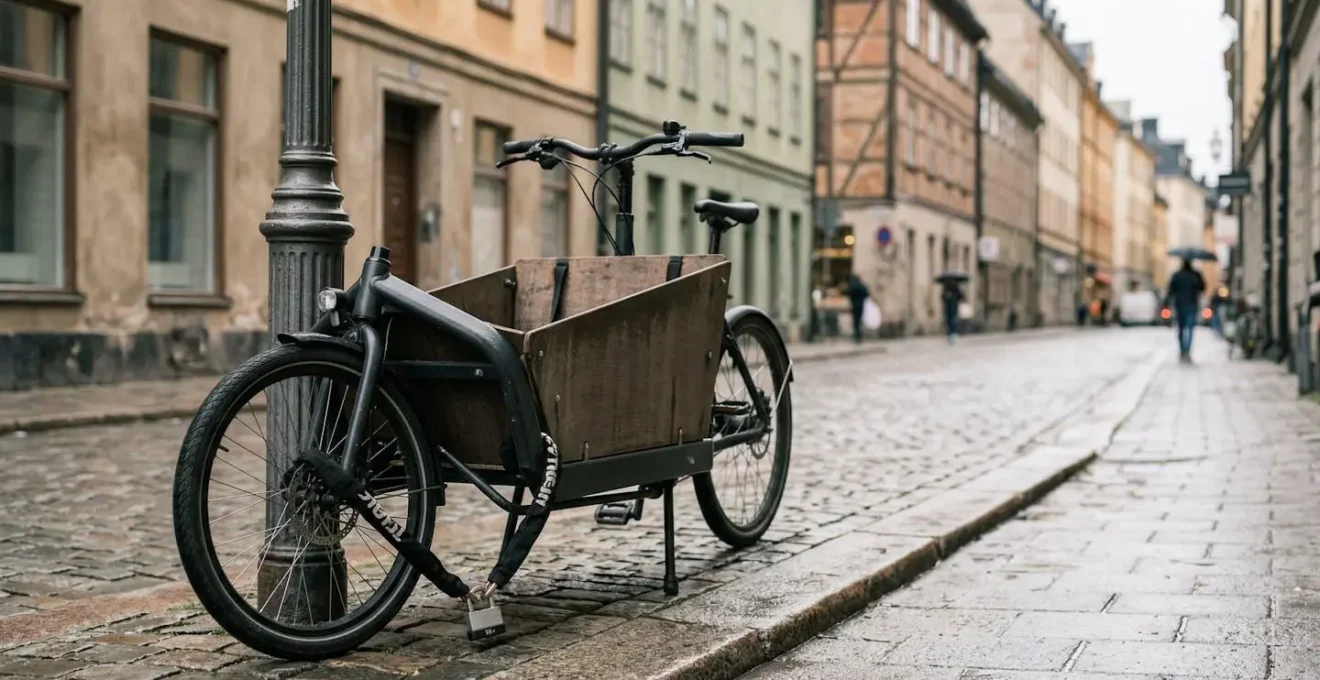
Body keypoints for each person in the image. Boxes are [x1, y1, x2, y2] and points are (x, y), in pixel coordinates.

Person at [1164, 258, 1206, 362]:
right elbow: (1203, 288)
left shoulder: (1177, 275)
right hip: (1192, 304)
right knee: (1190, 329)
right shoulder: (1196, 275)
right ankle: (1187, 351)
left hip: (1179, 305)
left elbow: (1170, 290)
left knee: (1181, 329)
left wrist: (1166, 303)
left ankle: (1182, 350)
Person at [845, 274, 870, 344]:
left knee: (855, 320)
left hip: (854, 305)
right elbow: (867, 294)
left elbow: (848, 293)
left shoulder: (852, 285)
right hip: (861, 304)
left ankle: (856, 333)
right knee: (859, 319)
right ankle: (859, 334)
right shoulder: (862, 286)